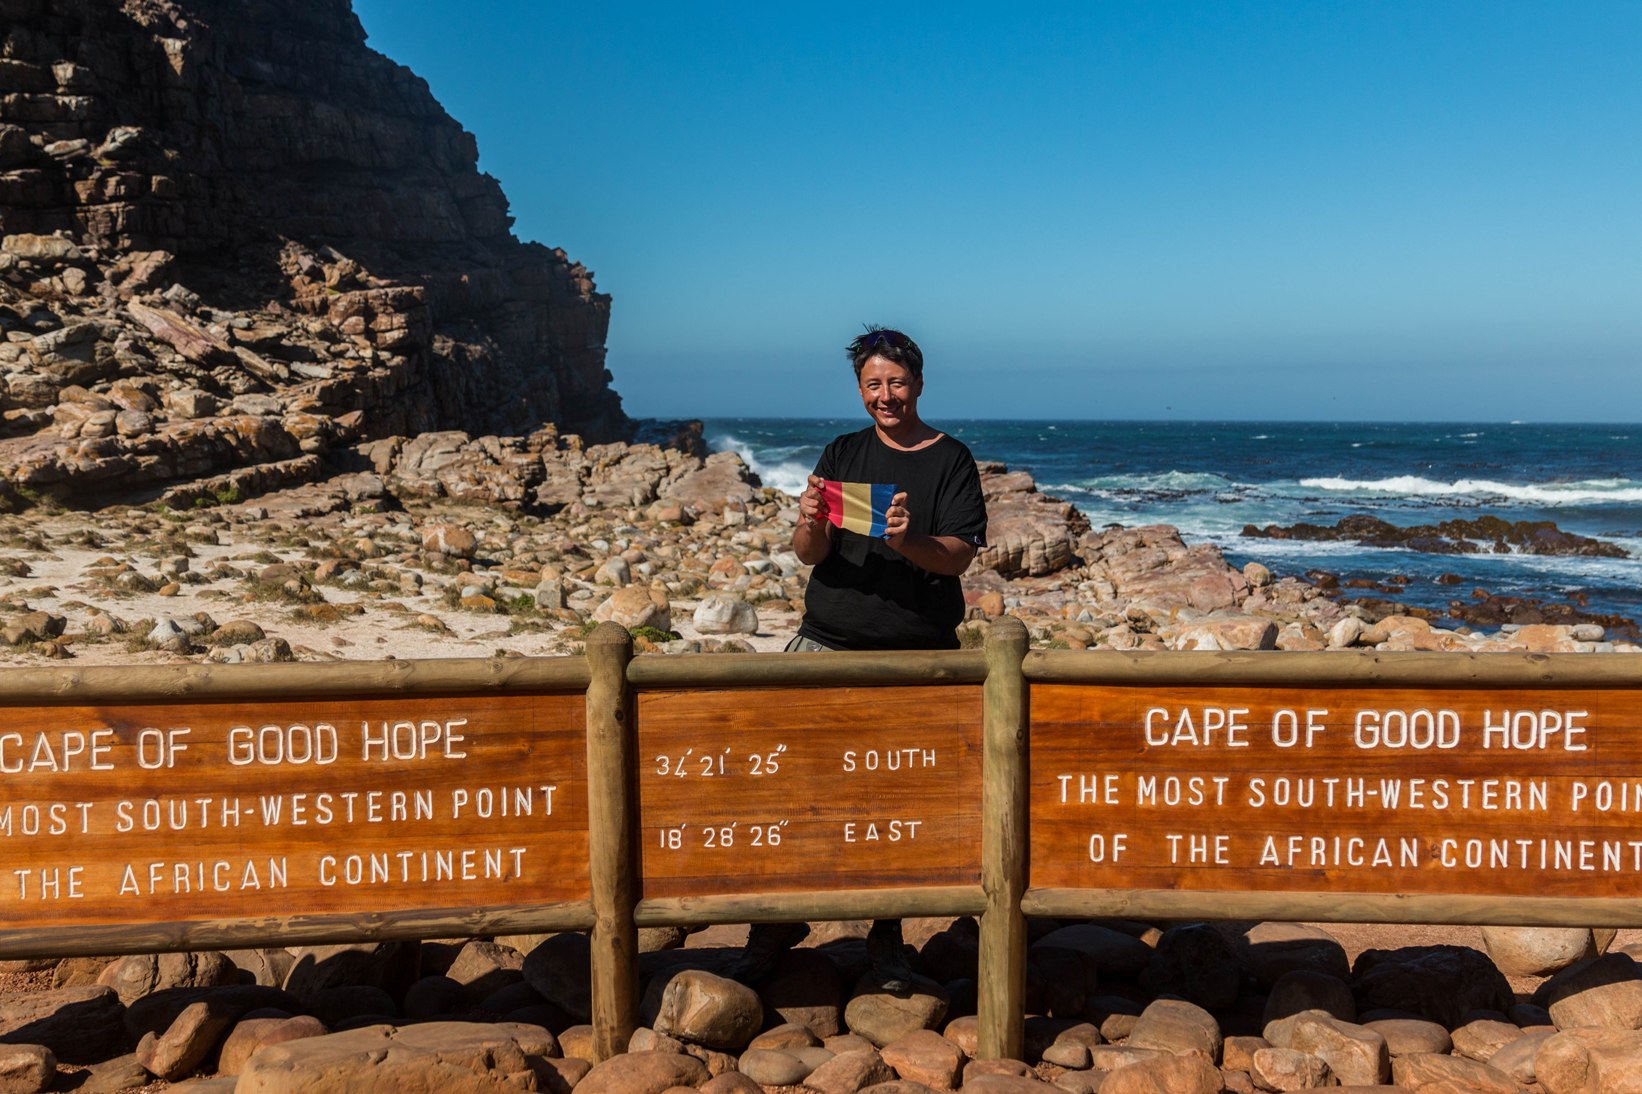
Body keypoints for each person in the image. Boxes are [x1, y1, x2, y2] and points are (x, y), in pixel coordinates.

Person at [731, 327, 988, 990]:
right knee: (791, 787)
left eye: (896, 383)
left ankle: (887, 937)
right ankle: (778, 922)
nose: (885, 395)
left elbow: (959, 554)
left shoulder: (951, 459)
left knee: (896, 800)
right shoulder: (842, 451)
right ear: (859, 390)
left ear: (919, 384)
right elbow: (807, 553)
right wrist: (810, 521)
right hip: (826, 643)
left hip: (917, 656)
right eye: (873, 385)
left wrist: (910, 541)